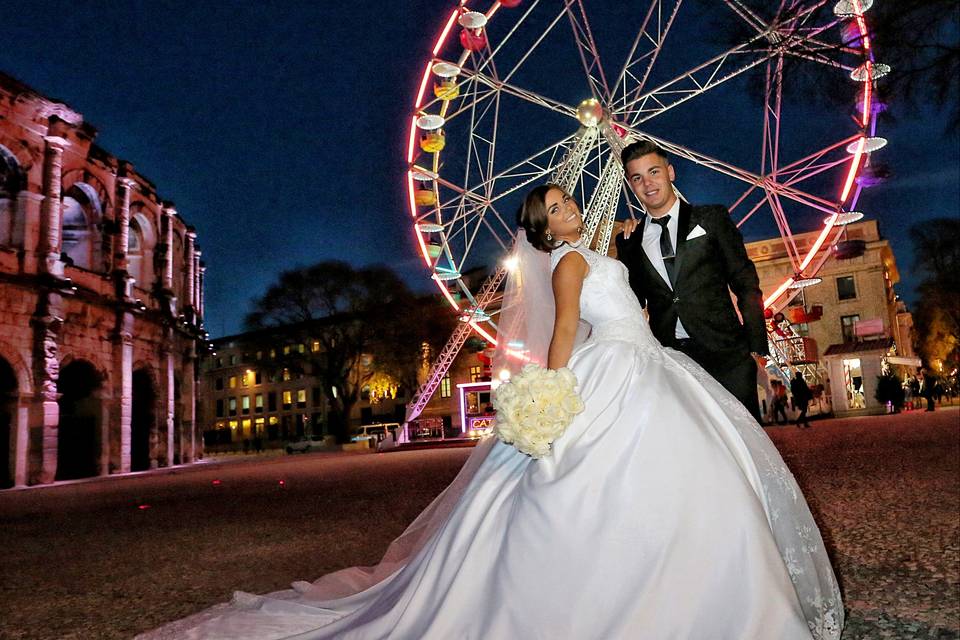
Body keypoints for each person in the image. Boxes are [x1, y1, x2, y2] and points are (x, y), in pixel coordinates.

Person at [139, 185, 842, 640]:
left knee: (691, 469)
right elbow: (565, 330)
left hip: (647, 361)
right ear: (547, 225)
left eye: (570, 201)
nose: (571, 208)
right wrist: (555, 392)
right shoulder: (570, 262)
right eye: (561, 205)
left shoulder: (601, 252)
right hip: (615, 366)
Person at [615, 140, 768, 421]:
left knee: (746, 449)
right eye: (637, 178)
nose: (647, 183)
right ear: (630, 184)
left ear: (670, 172)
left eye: (654, 172)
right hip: (672, 363)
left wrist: (756, 347)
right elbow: (634, 303)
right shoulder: (629, 241)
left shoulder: (711, 219)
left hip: (727, 356)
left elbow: (745, 280)